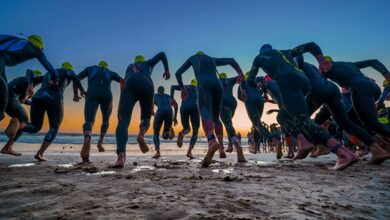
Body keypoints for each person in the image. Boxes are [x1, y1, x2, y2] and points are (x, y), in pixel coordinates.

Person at [248, 43, 358, 170]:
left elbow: (250, 79)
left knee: (303, 120)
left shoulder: (259, 58)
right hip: (303, 81)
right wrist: (321, 61)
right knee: (283, 117)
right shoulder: (285, 51)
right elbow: (310, 45)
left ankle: (343, 153)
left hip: (287, 81)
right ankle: (303, 143)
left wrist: (255, 86)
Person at [294, 55, 386, 161]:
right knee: (348, 122)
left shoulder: (320, 69)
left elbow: (315, 84)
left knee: (304, 119)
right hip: (346, 91)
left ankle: (323, 146)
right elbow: (373, 61)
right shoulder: (344, 66)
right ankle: (378, 147)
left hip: (335, 92)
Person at [175, 51, 246, 167]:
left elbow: (178, 73)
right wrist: (240, 73)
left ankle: (212, 141)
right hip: (217, 85)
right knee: (216, 118)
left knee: (204, 112)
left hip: (203, 84)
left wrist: (182, 89)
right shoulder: (212, 59)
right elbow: (231, 60)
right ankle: (237, 145)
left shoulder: (193, 58)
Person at [4, 62, 85, 161]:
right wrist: (79, 92)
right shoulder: (67, 71)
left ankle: (19, 124)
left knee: (35, 127)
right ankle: (40, 153)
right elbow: (75, 78)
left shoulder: (47, 74)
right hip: (54, 97)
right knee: (54, 127)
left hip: (38, 96)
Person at [111, 52, 170, 168]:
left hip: (129, 85)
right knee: (145, 118)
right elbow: (162, 54)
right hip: (147, 84)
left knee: (122, 122)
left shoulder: (129, 67)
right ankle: (141, 135)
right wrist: (167, 70)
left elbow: (123, 82)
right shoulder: (148, 63)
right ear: (143, 61)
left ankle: (121, 156)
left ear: (135, 61)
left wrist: (121, 104)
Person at [0, 34, 58, 122]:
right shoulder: (34, 48)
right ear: (40, 45)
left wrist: (33, 104)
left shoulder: (20, 44)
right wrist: (55, 80)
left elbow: (22, 100)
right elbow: (52, 71)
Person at [78, 61, 123, 163]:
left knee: (89, 121)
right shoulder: (110, 72)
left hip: (92, 93)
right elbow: (122, 81)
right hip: (107, 95)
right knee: (105, 121)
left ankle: (88, 138)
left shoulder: (90, 68)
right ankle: (100, 143)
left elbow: (77, 78)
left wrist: (79, 91)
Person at [1, 69, 44, 156]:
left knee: (20, 123)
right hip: (11, 100)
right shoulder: (29, 80)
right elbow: (29, 71)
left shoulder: (21, 83)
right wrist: (31, 85)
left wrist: (33, 104)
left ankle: (7, 146)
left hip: (5, 103)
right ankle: (7, 147)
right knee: (24, 122)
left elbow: (21, 100)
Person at [238, 73, 281, 157]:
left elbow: (239, 96)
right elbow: (264, 81)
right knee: (257, 124)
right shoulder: (257, 80)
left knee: (257, 124)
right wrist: (264, 93)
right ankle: (255, 145)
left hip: (250, 100)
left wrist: (245, 100)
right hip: (260, 101)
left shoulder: (244, 83)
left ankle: (273, 140)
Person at [171, 79, 200, 159]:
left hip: (183, 108)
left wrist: (172, 98)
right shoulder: (198, 88)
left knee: (187, 128)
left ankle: (182, 133)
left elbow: (173, 87)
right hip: (194, 108)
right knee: (195, 131)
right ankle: (189, 152)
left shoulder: (184, 87)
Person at [152, 86, 178, 159]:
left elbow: (151, 103)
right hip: (170, 112)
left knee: (156, 133)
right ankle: (169, 133)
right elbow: (176, 105)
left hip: (160, 112)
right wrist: (175, 118)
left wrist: (152, 112)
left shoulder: (155, 96)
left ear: (158, 91)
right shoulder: (169, 96)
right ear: (164, 91)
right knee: (165, 136)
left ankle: (158, 152)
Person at [219, 72, 241, 155]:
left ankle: (233, 145)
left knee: (228, 124)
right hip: (232, 102)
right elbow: (239, 77)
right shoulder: (230, 80)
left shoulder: (217, 81)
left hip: (223, 102)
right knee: (229, 123)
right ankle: (230, 144)